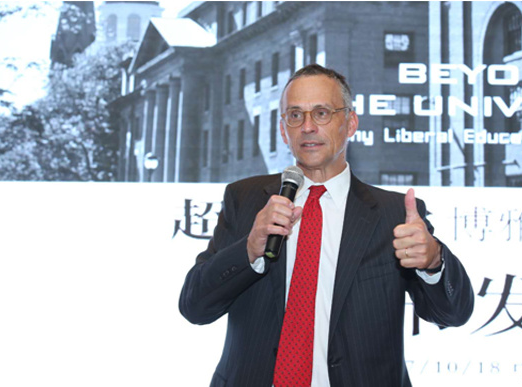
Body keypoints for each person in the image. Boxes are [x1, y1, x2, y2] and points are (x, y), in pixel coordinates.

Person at [179, 64, 474, 387]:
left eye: (321, 113)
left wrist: (433, 261)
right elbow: (195, 307)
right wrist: (249, 250)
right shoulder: (246, 199)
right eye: (295, 115)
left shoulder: (395, 214)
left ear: (349, 123)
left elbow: (453, 314)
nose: (307, 127)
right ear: (283, 130)